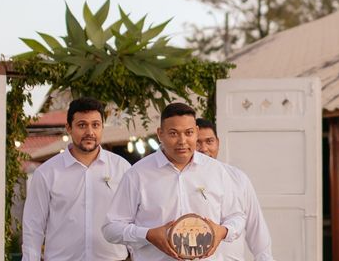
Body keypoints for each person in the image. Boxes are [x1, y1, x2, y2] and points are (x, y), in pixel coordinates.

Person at [102, 102, 245, 260]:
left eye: (189, 133)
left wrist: (222, 231)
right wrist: (148, 234)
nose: (182, 141)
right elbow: (111, 228)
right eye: (173, 133)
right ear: (160, 134)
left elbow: (237, 216)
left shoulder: (217, 171)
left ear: (196, 132)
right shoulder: (137, 174)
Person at [22, 97, 131, 261]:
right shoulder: (47, 173)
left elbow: (133, 219)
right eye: (82, 125)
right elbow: (33, 226)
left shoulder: (122, 168)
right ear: (69, 128)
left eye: (95, 125)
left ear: (102, 127)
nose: (90, 132)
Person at [196, 118, 275, 261]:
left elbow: (256, 226)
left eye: (209, 141)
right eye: (197, 142)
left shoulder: (238, 178)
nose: (204, 149)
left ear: (218, 143)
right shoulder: (182, 181)